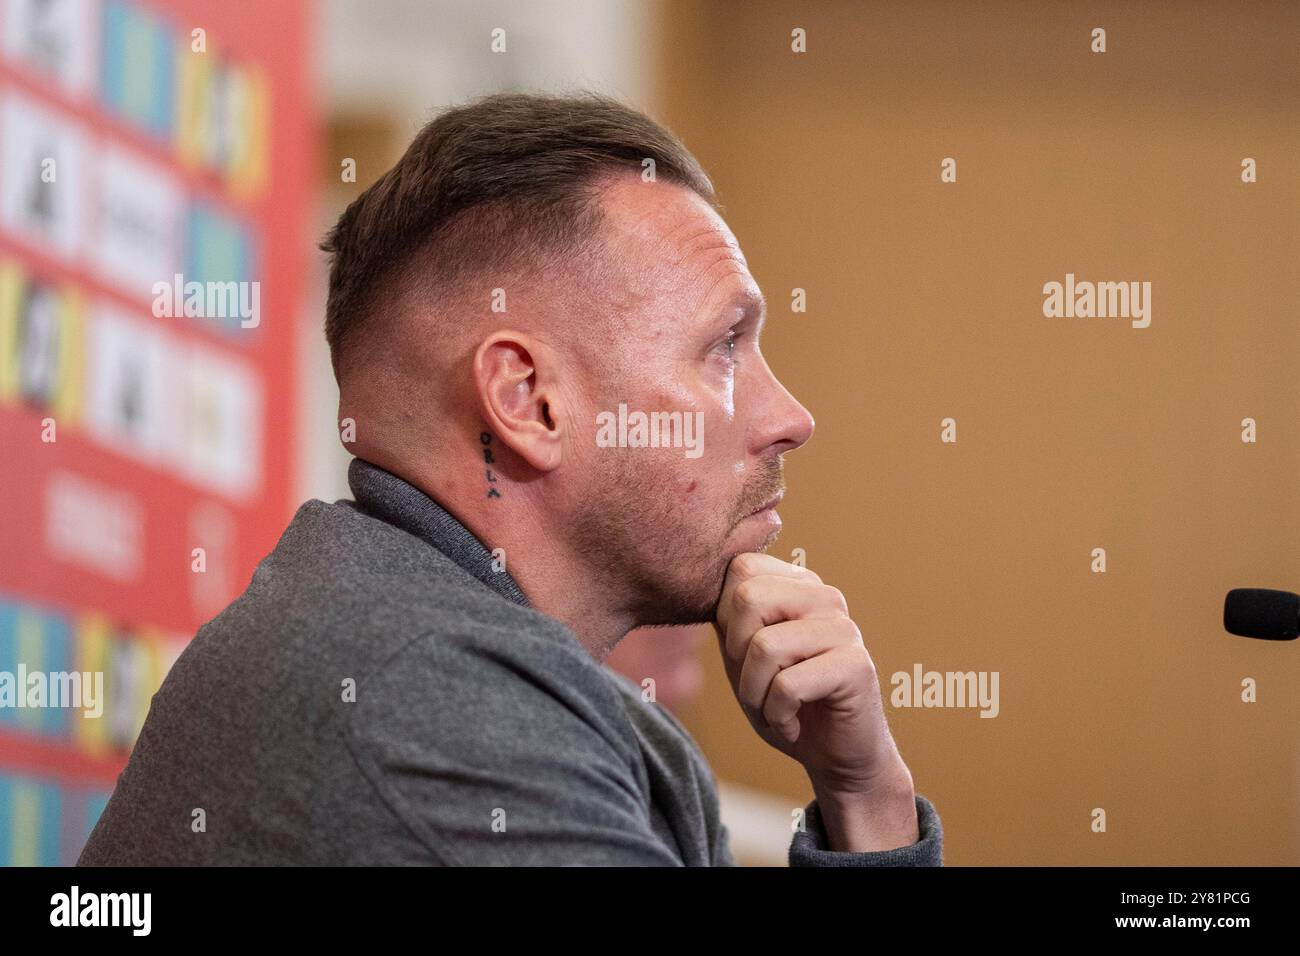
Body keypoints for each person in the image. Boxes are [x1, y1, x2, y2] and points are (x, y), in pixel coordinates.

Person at [78, 92, 943, 866]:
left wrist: (865, 792)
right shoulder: (436, 706)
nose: (791, 417)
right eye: (724, 348)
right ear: (527, 401)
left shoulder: (414, 643)